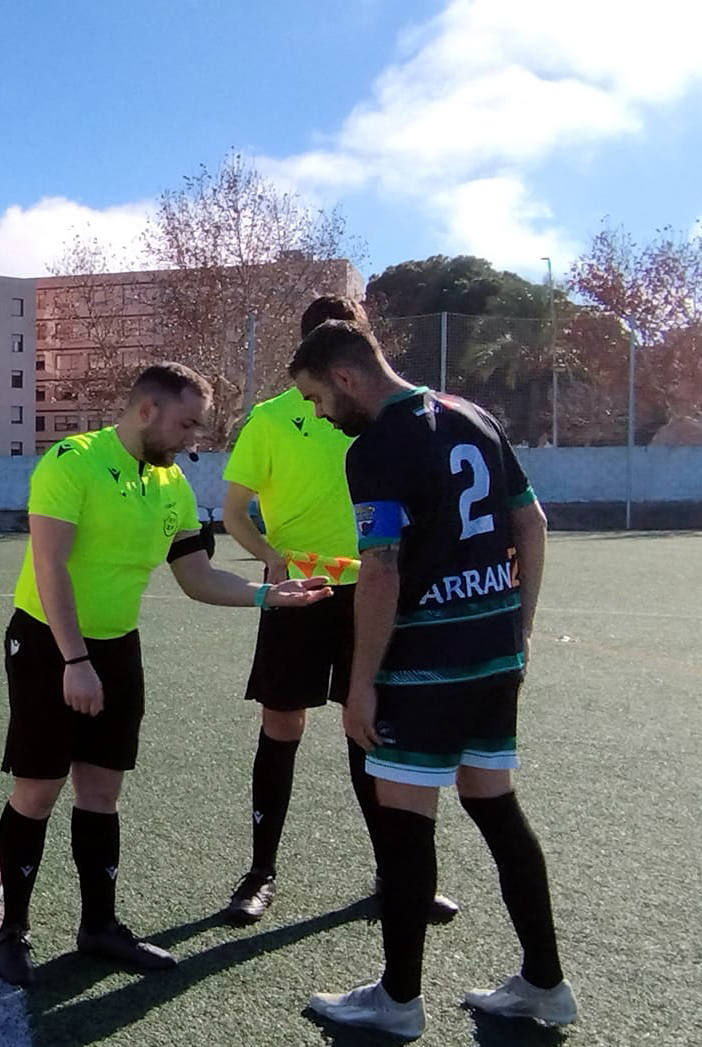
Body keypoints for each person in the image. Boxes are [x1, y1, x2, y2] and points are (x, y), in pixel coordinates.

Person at [0, 362, 332, 987]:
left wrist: (267, 596)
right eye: (187, 424)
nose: (193, 440)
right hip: (47, 644)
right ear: (146, 410)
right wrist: (76, 662)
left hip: (118, 648)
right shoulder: (71, 462)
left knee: (101, 793)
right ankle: (12, 931)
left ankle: (98, 926)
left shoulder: (171, 483)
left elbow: (196, 576)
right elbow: (50, 567)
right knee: (38, 792)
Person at [293, 321, 577, 1038]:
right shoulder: (474, 415)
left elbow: (381, 568)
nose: (320, 413)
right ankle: (546, 982)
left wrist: (361, 682)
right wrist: (521, 628)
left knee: (404, 820)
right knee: (496, 807)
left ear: (346, 377)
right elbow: (533, 522)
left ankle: (398, 1000)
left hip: (425, 661)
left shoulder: (375, 447)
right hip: (493, 651)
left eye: (317, 397)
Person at [220, 295, 458, 927]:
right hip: (298, 592)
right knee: (282, 726)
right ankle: (260, 873)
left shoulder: (387, 416)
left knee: (368, 726)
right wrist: (270, 558)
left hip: (373, 591)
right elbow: (234, 511)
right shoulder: (271, 418)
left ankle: (395, 876)